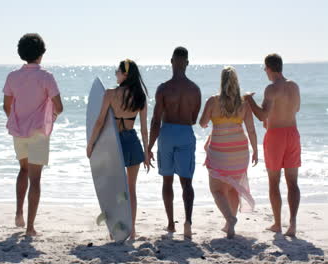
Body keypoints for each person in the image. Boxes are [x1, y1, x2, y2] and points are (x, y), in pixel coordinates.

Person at [3, 33, 63, 236]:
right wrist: (50, 117)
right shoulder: (47, 77)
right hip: (39, 132)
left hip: (18, 131)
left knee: (23, 170)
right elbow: (59, 107)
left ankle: (19, 213)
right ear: (42, 53)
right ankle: (30, 227)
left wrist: (18, 120)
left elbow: (7, 106)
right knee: (35, 179)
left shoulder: (12, 76)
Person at [87, 59, 150, 240]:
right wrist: (145, 152)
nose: (116, 73)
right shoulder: (140, 97)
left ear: (125, 74)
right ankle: (132, 230)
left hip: (113, 145)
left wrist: (91, 144)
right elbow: (144, 129)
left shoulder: (110, 94)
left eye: (118, 71)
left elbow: (99, 122)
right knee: (131, 189)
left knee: (113, 189)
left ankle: (114, 229)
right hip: (132, 142)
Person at [244, 54, 301, 237]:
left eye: (265, 69)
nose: (265, 72)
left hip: (276, 137)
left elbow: (261, 115)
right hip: (292, 133)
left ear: (269, 68)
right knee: (292, 182)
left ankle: (277, 223)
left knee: (274, 181)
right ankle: (292, 224)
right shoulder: (294, 86)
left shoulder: (271, 88)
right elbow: (296, 109)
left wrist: (248, 99)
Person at [148, 47, 201, 239]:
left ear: (171, 61)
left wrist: (149, 147)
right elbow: (194, 119)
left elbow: (155, 121)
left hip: (167, 131)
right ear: (187, 62)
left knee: (167, 180)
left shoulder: (163, 89)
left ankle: (171, 224)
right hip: (185, 132)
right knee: (187, 182)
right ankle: (187, 222)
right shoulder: (195, 89)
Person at [199, 66, 257, 239]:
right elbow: (252, 130)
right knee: (233, 189)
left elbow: (202, 123)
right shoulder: (244, 103)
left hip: (220, 152)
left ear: (221, 81)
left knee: (217, 190)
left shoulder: (212, 101)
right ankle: (229, 224)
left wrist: (211, 121)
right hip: (240, 152)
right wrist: (255, 150)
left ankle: (230, 219)